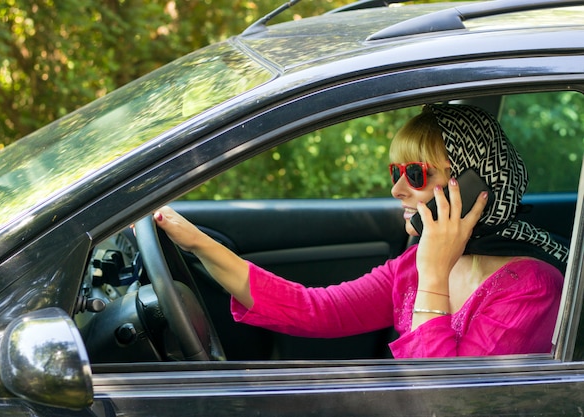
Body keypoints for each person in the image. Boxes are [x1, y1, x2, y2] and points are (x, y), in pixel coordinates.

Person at [152, 104, 569, 358]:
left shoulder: (531, 288)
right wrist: (196, 241)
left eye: (415, 173)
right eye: (395, 171)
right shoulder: (411, 266)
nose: (396, 188)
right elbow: (314, 309)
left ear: (474, 185)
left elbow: (449, 403)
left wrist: (435, 276)